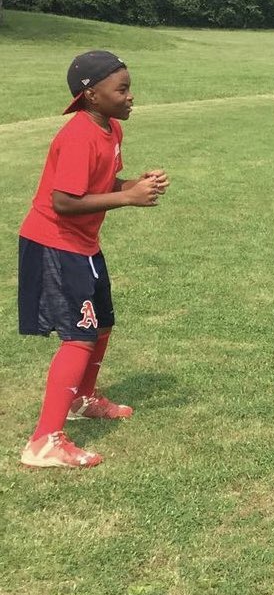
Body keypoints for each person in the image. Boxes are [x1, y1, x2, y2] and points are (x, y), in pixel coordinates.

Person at [18, 51, 170, 469]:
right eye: (121, 90)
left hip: (83, 243)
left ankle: (82, 399)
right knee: (79, 335)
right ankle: (43, 442)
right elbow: (64, 201)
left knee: (101, 323)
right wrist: (127, 198)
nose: (130, 96)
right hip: (55, 242)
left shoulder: (111, 129)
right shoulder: (78, 135)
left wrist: (133, 185)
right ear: (91, 95)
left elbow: (98, 185)